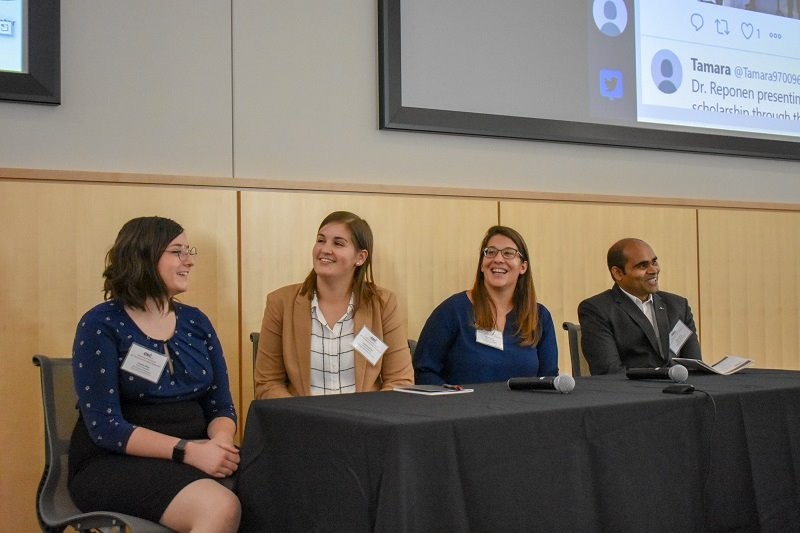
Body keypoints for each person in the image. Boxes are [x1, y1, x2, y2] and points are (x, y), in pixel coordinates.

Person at [69, 217, 240, 533]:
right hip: (114, 462)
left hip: (198, 450)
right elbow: (106, 428)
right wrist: (188, 451)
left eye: (188, 250)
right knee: (219, 506)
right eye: (177, 251)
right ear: (143, 257)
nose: (189, 260)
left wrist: (220, 445)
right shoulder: (100, 325)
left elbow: (221, 407)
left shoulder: (196, 322)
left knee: (279, 488)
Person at [255, 211, 414, 398]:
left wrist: (368, 420)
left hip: (366, 422)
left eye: (338, 243)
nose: (325, 249)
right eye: (321, 240)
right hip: (302, 421)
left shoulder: (383, 304)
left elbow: (400, 381)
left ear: (360, 258)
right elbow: (268, 383)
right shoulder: (280, 303)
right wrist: (302, 417)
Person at [413, 225, 558, 385]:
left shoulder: (540, 316)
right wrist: (450, 399)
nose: (498, 259)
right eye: (491, 252)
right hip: (464, 407)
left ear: (523, 267)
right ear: (482, 264)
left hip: (526, 408)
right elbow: (424, 370)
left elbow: (549, 378)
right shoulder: (453, 311)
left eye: (508, 253)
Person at [578, 238, 702, 375]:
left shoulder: (678, 306)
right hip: (632, 394)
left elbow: (694, 366)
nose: (653, 270)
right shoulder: (597, 309)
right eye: (643, 266)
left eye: (654, 262)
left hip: (681, 392)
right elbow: (610, 373)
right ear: (618, 273)